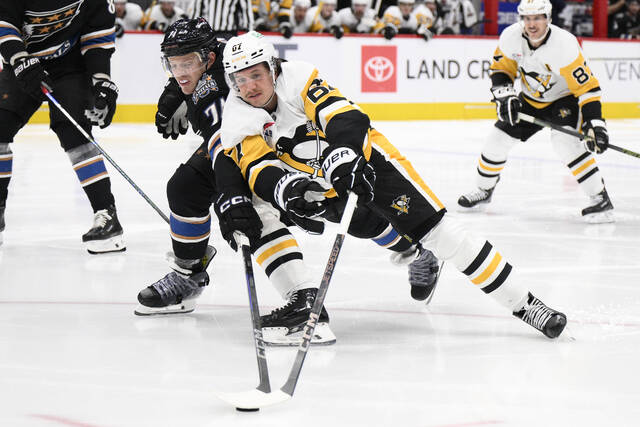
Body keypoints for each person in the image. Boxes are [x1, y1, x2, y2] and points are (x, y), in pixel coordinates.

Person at [219, 31, 568, 339]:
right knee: (368, 226)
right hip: (320, 182)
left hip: (370, 161)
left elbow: (345, 116)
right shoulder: (237, 115)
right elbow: (256, 165)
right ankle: (417, 254)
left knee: (440, 232)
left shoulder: (298, 77)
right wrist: (288, 191)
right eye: (240, 79)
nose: (250, 86)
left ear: (272, 68)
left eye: (256, 74)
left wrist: (344, 156)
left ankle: (526, 304)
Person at [133, 18, 337, 346]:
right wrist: (176, 88)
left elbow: (225, 146)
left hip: (282, 147)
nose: (181, 71)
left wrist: (232, 195)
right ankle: (188, 276)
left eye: (189, 63)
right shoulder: (219, 55)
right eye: (173, 64)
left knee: (251, 208)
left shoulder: (214, 89)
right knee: (186, 187)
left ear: (209, 59)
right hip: (254, 141)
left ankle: (305, 297)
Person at [457, 0, 614, 224]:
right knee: (496, 140)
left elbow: (587, 88)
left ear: (548, 18)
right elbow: (501, 69)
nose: (532, 24)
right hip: (530, 100)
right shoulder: (511, 37)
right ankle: (484, 190)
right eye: (527, 18)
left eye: (538, 18)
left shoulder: (564, 45)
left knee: (565, 144)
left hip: (564, 100)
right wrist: (505, 94)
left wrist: (595, 123)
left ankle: (599, 197)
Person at [0, 0, 124, 253]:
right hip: (22, 62)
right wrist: (20, 58)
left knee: (74, 132)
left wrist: (101, 81)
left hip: (70, 67)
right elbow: (5, 23)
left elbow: (97, 37)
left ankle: (106, 214)